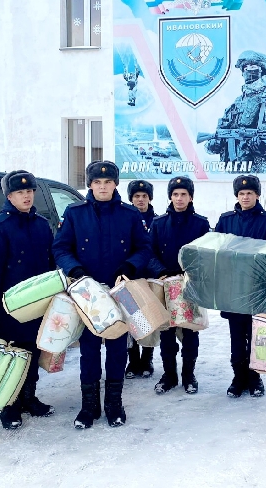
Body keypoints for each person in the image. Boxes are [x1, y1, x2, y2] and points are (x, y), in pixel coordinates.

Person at [52, 161, 152, 429]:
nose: (103, 186)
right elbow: (60, 248)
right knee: (89, 350)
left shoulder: (130, 214)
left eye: (108, 182)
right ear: (90, 185)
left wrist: (130, 266)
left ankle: (114, 404)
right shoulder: (74, 213)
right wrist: (74, 269)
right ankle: (89, 407)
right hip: (87, 293)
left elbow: (144, 248)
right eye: (97, 182)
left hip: (120, 290)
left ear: (115, 184)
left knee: (118, 349)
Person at [0, 170, 55, 430]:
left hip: (37, 306)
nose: (27, 196)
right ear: (9, 196)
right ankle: (9, 406)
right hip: (8, 309)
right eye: (21, 192)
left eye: (30, 191)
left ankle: (29, 398)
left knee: (32, 354)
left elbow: (52, 267)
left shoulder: (42, 225)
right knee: (11, 358)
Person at [215, 175, 266, 398]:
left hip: (259, 289)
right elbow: (218, 252)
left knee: (256, 337)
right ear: (236, 196)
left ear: (257, 195)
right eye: (241, 194)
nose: (245, 197)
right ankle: (238, 377)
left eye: (249, 193)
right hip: (234, 289)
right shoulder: (226, 220)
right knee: (236, 336)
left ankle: (255, 377)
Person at [148, 176, 210, 395]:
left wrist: (192, 274)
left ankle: (188, 375)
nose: (179, 198)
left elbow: (206, 255)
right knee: (167, 333)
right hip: (165, 285)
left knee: (190, 333)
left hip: (190, 285)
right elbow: (150, 252)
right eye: (175, 194)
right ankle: (169, 375)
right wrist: (161, 272)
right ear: (170, 197)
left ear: (190, 197)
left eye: (184, 194)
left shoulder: (201, 223)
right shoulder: (158, 223)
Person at [202, 50, 266, 173]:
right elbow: (213, 144)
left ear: (263, 69)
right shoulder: (235, 105)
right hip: (232, 176)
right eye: (245, 67)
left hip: (264, 174)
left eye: (252, 66)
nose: (247, 70)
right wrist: (214, 143)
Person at [125, 179, 157, 380]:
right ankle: (132, 360)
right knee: (131, 320)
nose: (140, 200)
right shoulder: (125, 218)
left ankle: (147, 359)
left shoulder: (157, 220)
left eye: (144, 196)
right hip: (130, 276)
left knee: (148, 320)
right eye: (137, 196)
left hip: (150, 276)